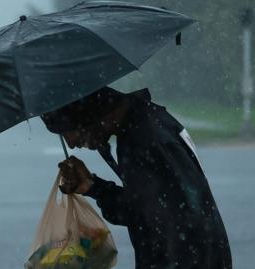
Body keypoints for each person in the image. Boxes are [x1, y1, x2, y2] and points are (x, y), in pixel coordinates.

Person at [40, 87, 232, 269]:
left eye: (67, 131)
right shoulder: (145, 123)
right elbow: (146, 210)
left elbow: (168, 222)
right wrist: (93, 186)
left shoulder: (144, 141)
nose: (71, 144)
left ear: (89, 115)